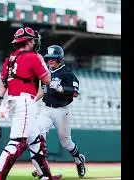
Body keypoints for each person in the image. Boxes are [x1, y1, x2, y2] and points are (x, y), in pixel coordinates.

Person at [0, 27, 61, 180]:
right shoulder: (33, 57)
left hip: (13, 101)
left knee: (36, 140)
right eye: (33, 40)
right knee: (18, 142)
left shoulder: (9, 59)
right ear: (28, 41)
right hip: (25, 101)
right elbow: (47, 80)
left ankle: (46, 176)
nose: (35, 43)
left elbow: (2, 86)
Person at [32, 45, 86, 178]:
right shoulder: (45, 71)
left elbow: (75, 92)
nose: (50, 60)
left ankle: (79, 159)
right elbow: (42, 91)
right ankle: (42, 166)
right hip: (46, 109)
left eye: (54, 58)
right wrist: (32, 100)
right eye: (49, 58)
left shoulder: (67, 72)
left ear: (60, 59)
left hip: (62, 111)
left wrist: (62, 89)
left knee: (66, 142)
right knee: (38, 134)